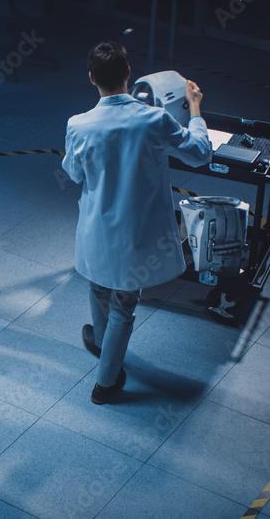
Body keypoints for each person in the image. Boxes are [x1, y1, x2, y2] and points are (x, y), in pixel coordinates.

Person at [62, 42, 214, 405]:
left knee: (99, 287)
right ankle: (106, 384)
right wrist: (194, 108)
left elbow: (73, 173)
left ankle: (103, 348)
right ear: (129, 73)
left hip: (97, 230)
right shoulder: (155, 120)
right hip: (136, 236)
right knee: (124, 305)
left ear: (91, 78)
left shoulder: (79, 124)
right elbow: (200, 154)